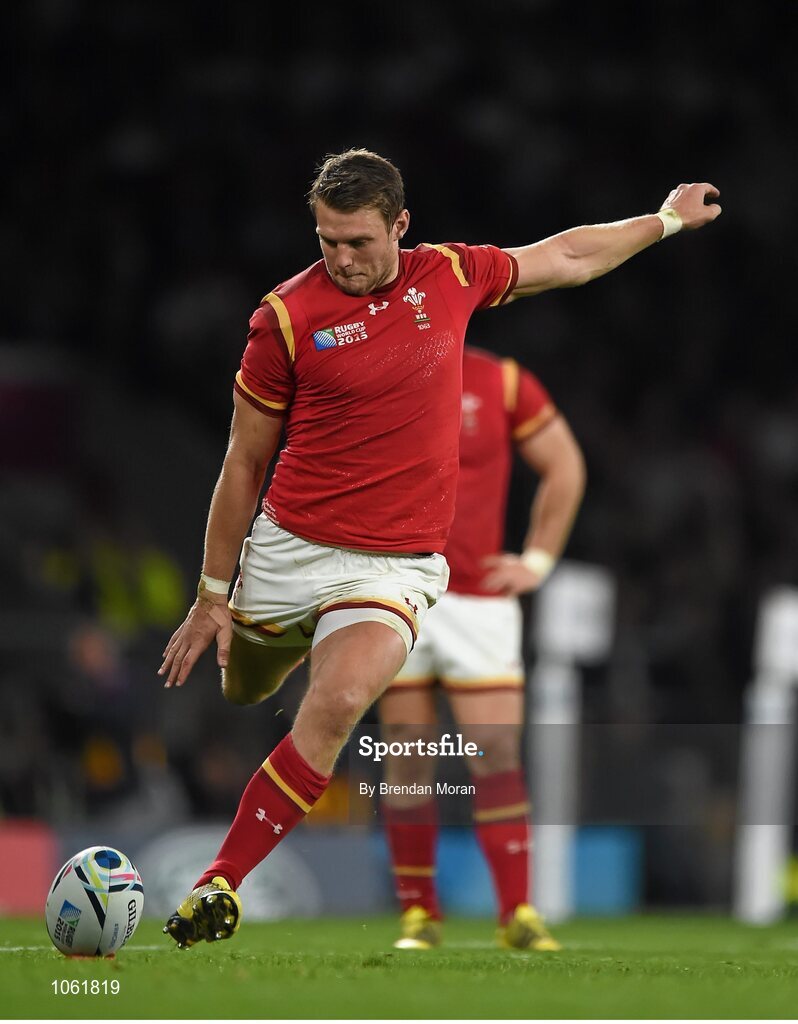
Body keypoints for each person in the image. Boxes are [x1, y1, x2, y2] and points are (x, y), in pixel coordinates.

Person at [157, 148, 720, 948]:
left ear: (401, 225)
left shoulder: (451, 276)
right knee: (246, 691)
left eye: (359, 241)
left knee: (341, 703)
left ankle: (219, 884)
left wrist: (662, 221)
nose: (343, 260)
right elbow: (244, 461)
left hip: (395, 568)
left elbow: (563, 255)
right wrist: (214, 595)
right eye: (327, 243)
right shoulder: (284, 318)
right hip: (289, 548)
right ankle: (263, 649)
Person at [379, 344, 585, 951]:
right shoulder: (381, 364)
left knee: (496, 751)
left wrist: (538, 560)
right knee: (409, 760)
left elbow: (565, 466)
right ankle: (419, 916)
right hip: (398, 590)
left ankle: (517, 913)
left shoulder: (505, 382)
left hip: (479, 600)